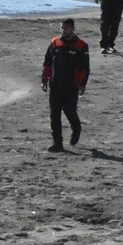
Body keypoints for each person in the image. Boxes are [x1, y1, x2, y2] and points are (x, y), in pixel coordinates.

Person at [41, 18, 89, 153]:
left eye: (66, 28)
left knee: (70, 111)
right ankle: (57, 143)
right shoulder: (55, 43)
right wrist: (45, 78)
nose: (64, 30)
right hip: (55, 84)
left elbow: (85, 67)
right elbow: (47, 62)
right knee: (54, 115)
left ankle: (76, 128)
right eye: (62, 28)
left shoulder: (81, 45)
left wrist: (82, 84)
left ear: (72, 28)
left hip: (71, 86)